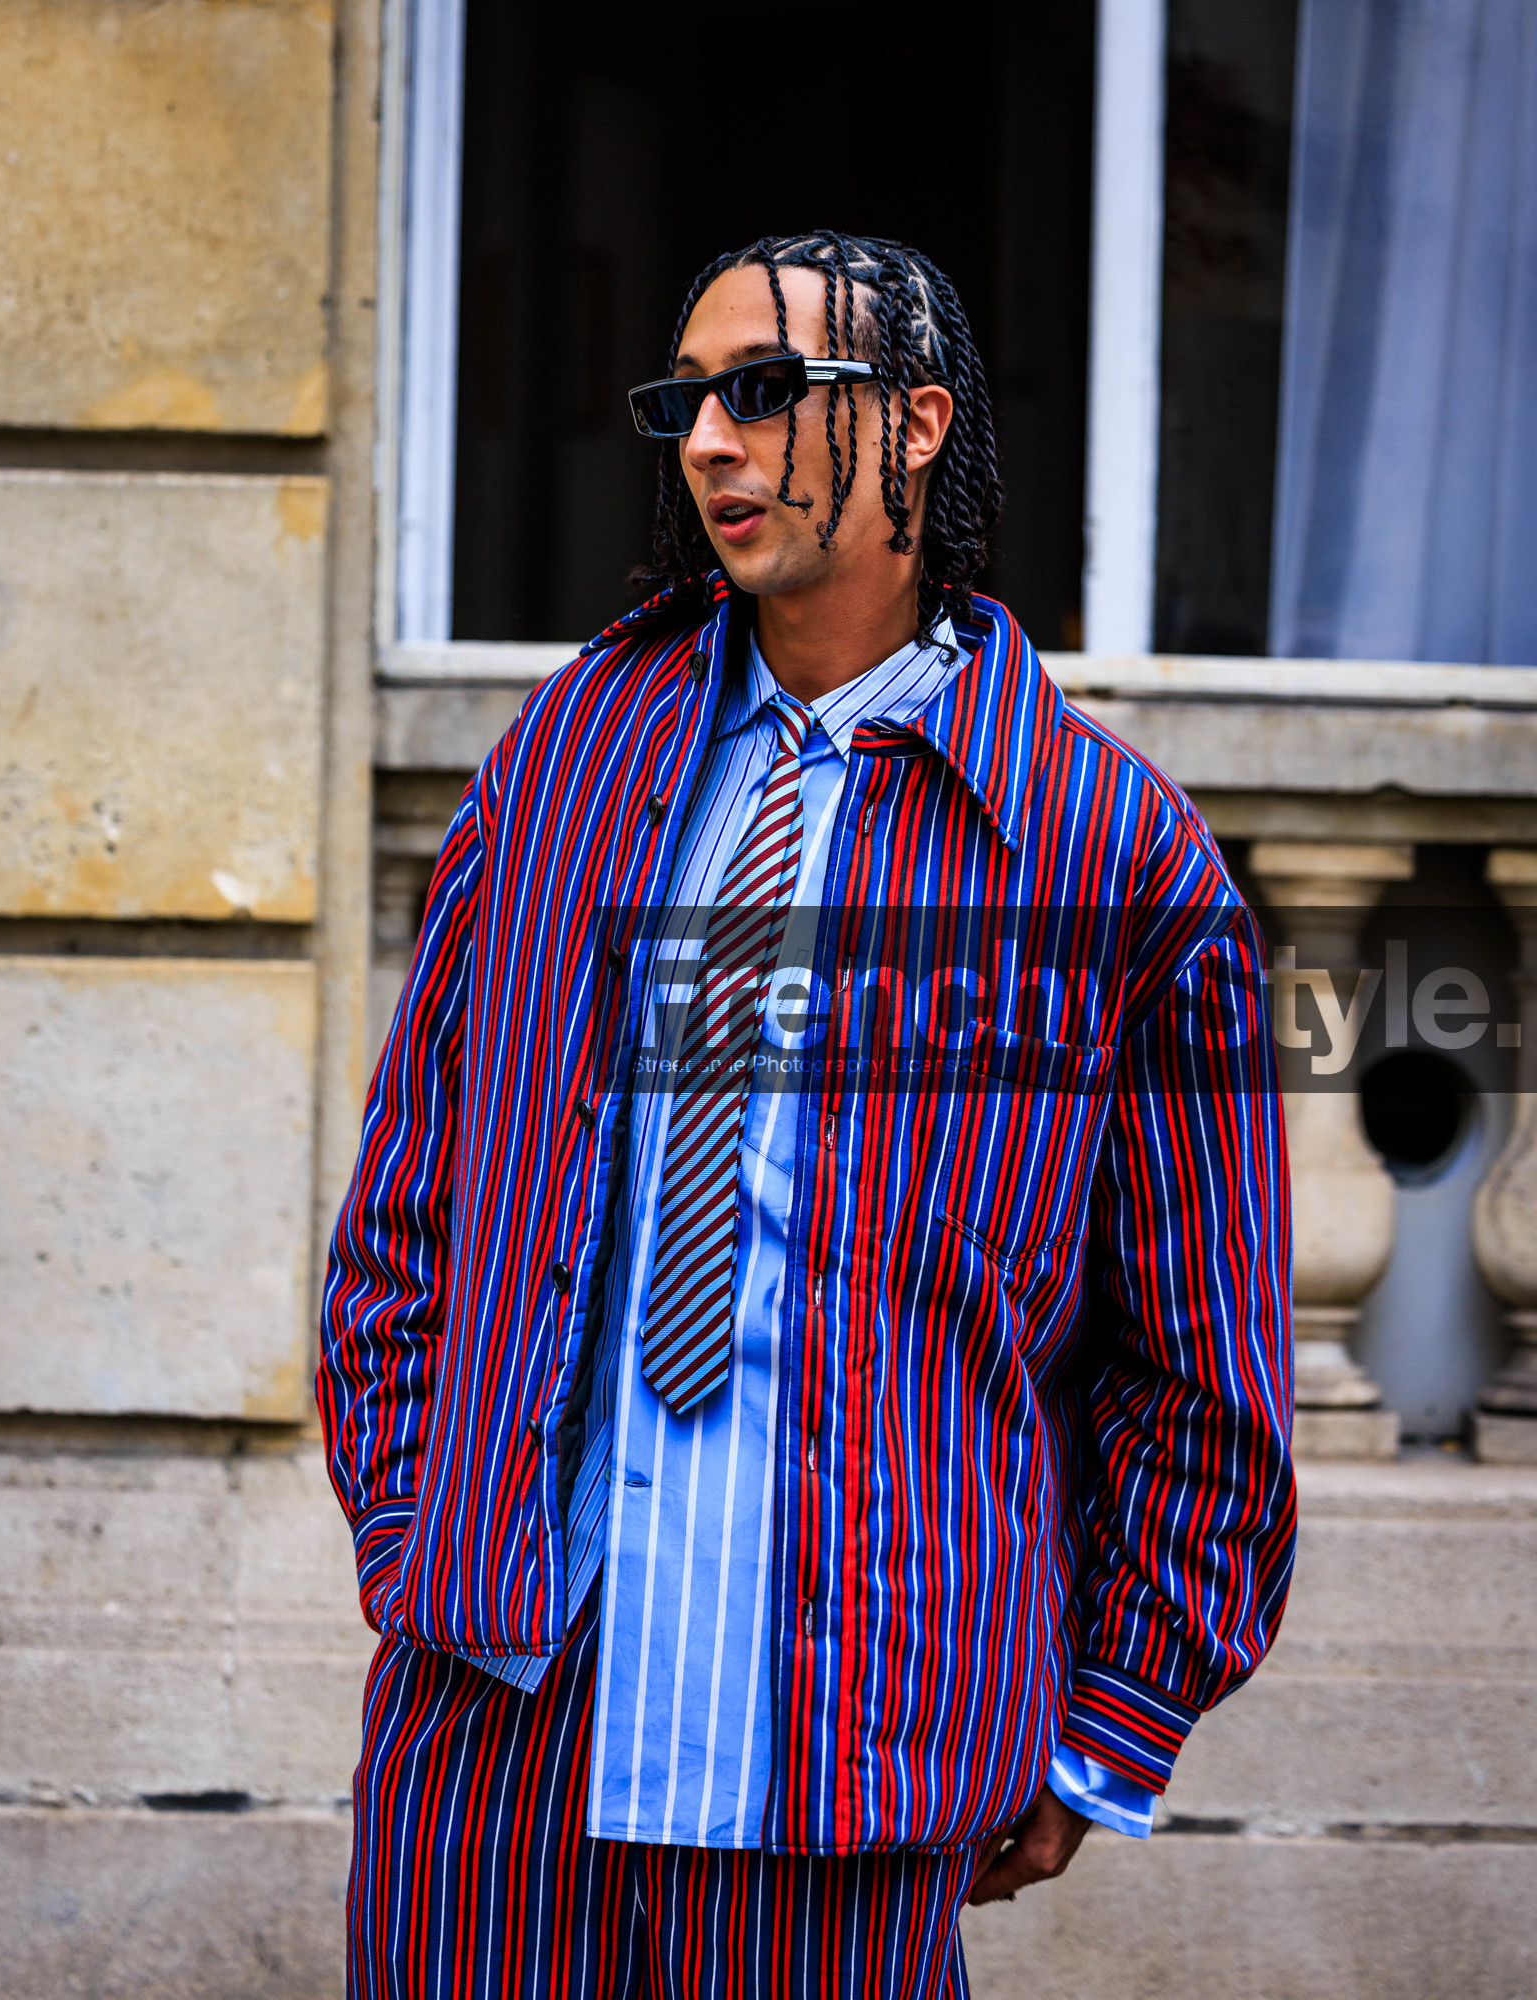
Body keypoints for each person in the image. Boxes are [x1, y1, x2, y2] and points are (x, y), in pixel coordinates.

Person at [319, 231, 1296, 1999]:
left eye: (765, 391)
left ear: (917, 424)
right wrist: (423, 1554)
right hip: (496, 1743)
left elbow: (1203, 1361)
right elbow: (402, 1219)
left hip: (848, 1761)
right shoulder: (560, 765)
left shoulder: (1105, 853)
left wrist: (1112, 1716)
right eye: (684, 400)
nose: (708, 440)